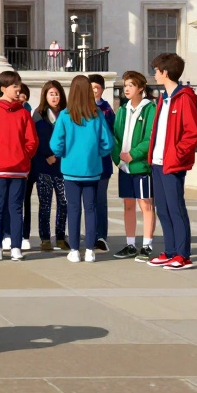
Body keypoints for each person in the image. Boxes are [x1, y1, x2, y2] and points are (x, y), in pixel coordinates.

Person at [146, 53, 197, 271]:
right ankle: (170, 251)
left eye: (157, 70)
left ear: (165, 72)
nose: (154, 73)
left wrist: (177, 154)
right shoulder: (164, 98)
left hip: (172, 163)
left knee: (175, 208)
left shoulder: (184, 98)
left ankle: (183, 254)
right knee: (162, 209)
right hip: (158, 163)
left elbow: (193, 133)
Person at [50, 75, 115, 263]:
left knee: (73, 208)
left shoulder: (65, 115)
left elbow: (56, 144)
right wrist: (96, 153)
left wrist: (64, 153)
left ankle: (75, 250)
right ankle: (89, 250)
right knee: (91, 208)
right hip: (92, 168)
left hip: (70, 168)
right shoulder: (97, 114)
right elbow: (107, 143)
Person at [0, 71, 38, 262]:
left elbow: (32, 141)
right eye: (15, 86)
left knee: (16, 209)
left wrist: (24, 156)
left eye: (19, 86)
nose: (18, 89)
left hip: (19, 170)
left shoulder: (23, 113)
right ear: (4, 88)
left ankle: (16, 246)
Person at [112, 71, 157, 261]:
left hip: (141, 167)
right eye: (125, 85)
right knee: (128, 205)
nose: (127, 88)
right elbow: (115, 136)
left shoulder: (150, 109)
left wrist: (133, 155)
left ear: (141, 88)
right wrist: (119, 158)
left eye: (131, 85)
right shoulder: (122, 110)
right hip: (125, 167)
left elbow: (150, 138)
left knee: (146, 204)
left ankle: (147, 245)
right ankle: (130, 244)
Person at [32, 80, 69, 252]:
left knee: (63, 202)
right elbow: (35, 140)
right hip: (44, 166)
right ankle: (45, 238)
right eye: (51, 93)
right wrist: (46, 156)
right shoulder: (38, 114)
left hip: (63, 166)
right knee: (45, 203)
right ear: (45, 96)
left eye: (56, 93)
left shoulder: (67, 114)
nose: (54, 97)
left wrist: (59, 154)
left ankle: (61, 236)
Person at [88, 74, 115, 252]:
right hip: (86, 163)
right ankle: (89, 233)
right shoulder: (81, 108)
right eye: (90, 87)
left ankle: (100, 235)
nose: (93, 90)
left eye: (96, 87)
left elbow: (110, 135)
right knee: (87, 202)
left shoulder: (107, 110)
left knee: (100, 200)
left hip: (102, 162)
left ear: (102, 90)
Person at [18, 83, 36, 250]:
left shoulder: (30, 112)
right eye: (18, 94)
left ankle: (25, 235)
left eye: (23, 95)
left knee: (26, 201)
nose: (20, 97)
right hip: (12, 163)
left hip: (27, 163)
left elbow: (32, 140)